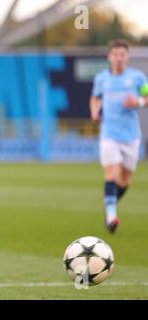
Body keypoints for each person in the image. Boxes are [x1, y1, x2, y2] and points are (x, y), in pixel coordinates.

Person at [90, 39, 148, 233]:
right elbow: (95, 98)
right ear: (110, 57)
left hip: (131, 135)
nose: (119, 59)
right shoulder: (102, 79)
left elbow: (147, 97)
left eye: (122, 55)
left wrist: (139, 101)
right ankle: (112, 216)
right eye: (115, 55)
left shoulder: (137, 78)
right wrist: (94, 111)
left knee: (124, 181)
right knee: (111, 175)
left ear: (127, 57)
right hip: (109, 134)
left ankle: (109, 204)